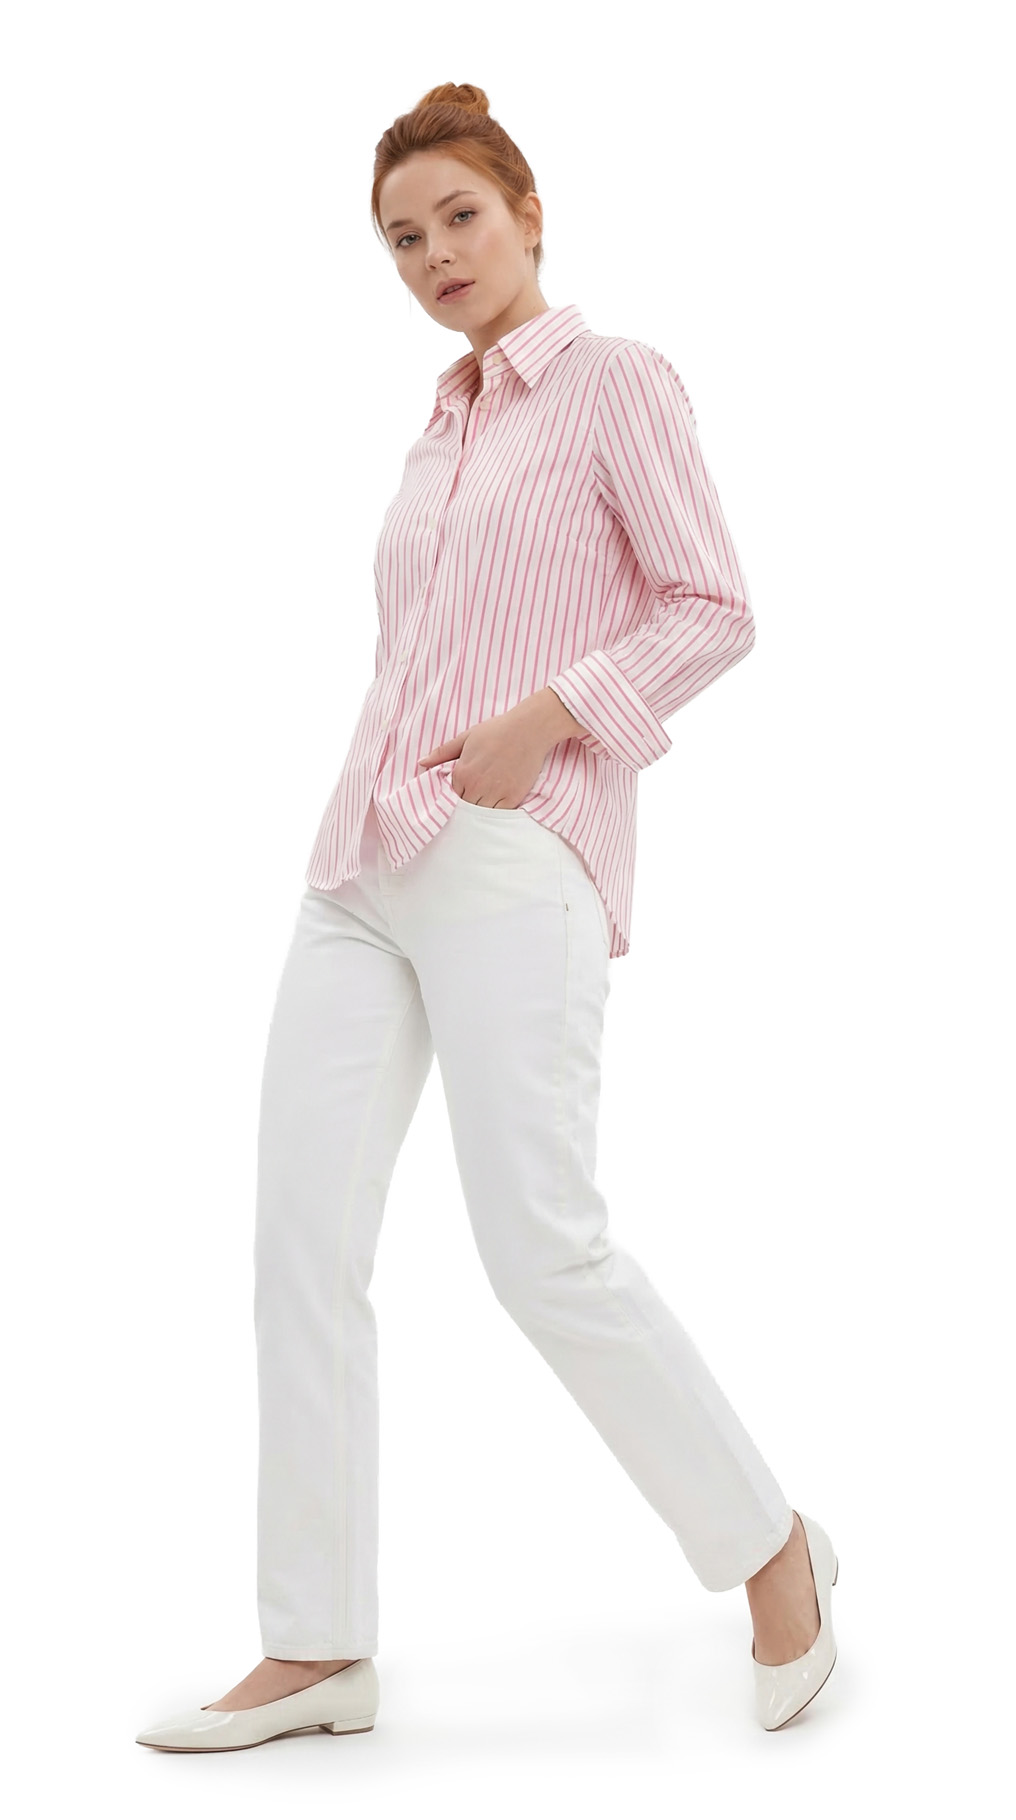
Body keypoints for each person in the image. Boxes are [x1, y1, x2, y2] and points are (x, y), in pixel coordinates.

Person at [136, 82, 839, 1753]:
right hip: (359, 866)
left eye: (458, 216)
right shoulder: (441, 425)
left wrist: (547, 719)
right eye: (402, 238)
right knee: (298, 1245)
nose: (434, 255)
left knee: (542, 1247)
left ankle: (773, 1551)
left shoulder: (615, 381)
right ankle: (319, 1647)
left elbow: (715, 605)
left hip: (517, 852)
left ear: (529, 213)